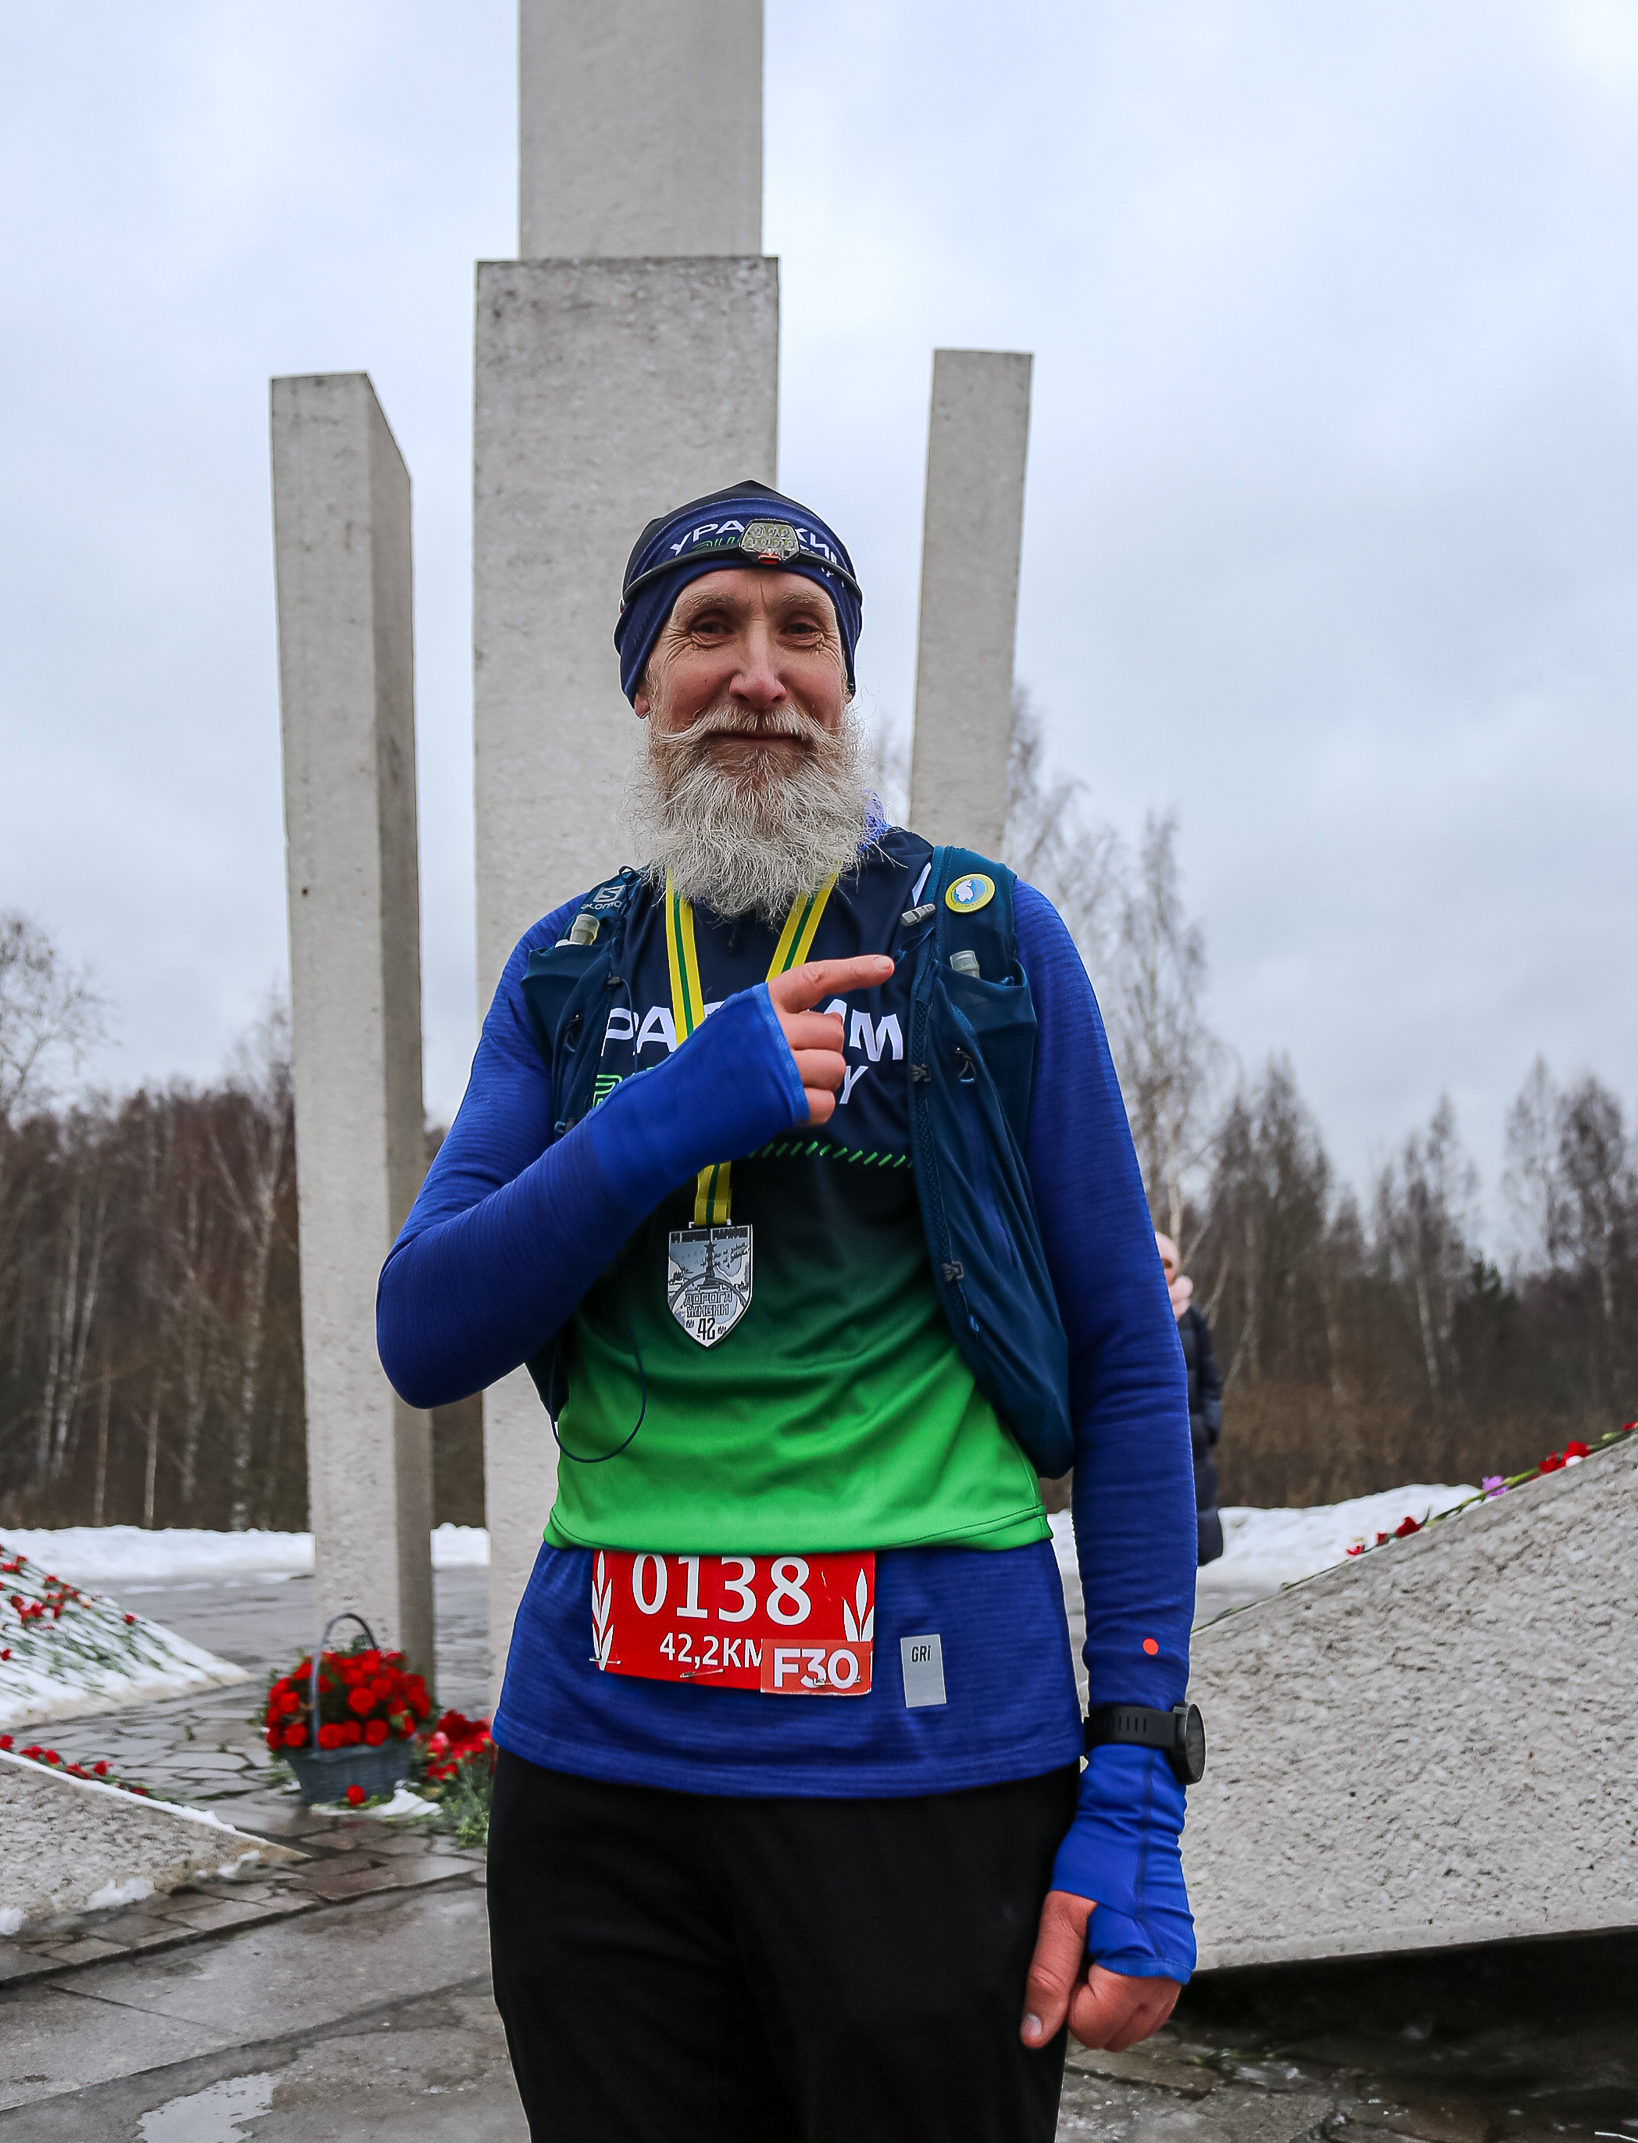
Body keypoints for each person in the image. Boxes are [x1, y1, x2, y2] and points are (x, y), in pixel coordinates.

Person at [378, 483, 1198, 2143]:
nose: (759, 672)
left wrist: (1137, 1790)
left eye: (801, 630)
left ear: (843, 683)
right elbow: (426, 1331)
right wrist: (665, 1117)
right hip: (600, 1789)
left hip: (930, 1773)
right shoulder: (570, 971)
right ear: (642, 684)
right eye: (708, 628)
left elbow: (1127, 1360)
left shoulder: (982, 946)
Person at [1158, 1233, 1224, 1568]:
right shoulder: (1139, 1310)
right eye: (1158, 1261)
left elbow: (1211, 1376)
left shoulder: (1192, 1317)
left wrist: (1211, 1422)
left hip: (1194, 1433)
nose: (1163, 1269)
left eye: (1169, 1263)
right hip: (1157, 1432)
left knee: (1197, 1518)